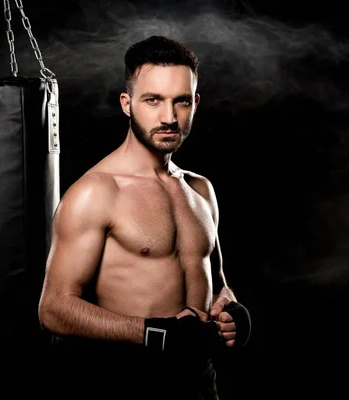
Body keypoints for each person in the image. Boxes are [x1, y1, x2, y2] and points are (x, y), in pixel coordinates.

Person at [37, 35, 251, 398]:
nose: (169, 118)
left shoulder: (200, 190)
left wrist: (231, 312)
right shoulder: (96, 192)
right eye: (153, 100)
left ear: (194, 103)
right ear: (127, 103)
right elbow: (55, 309)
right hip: (125, 381)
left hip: (199, 381)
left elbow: (217, 281)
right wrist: (155, 333)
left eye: (181, 102)